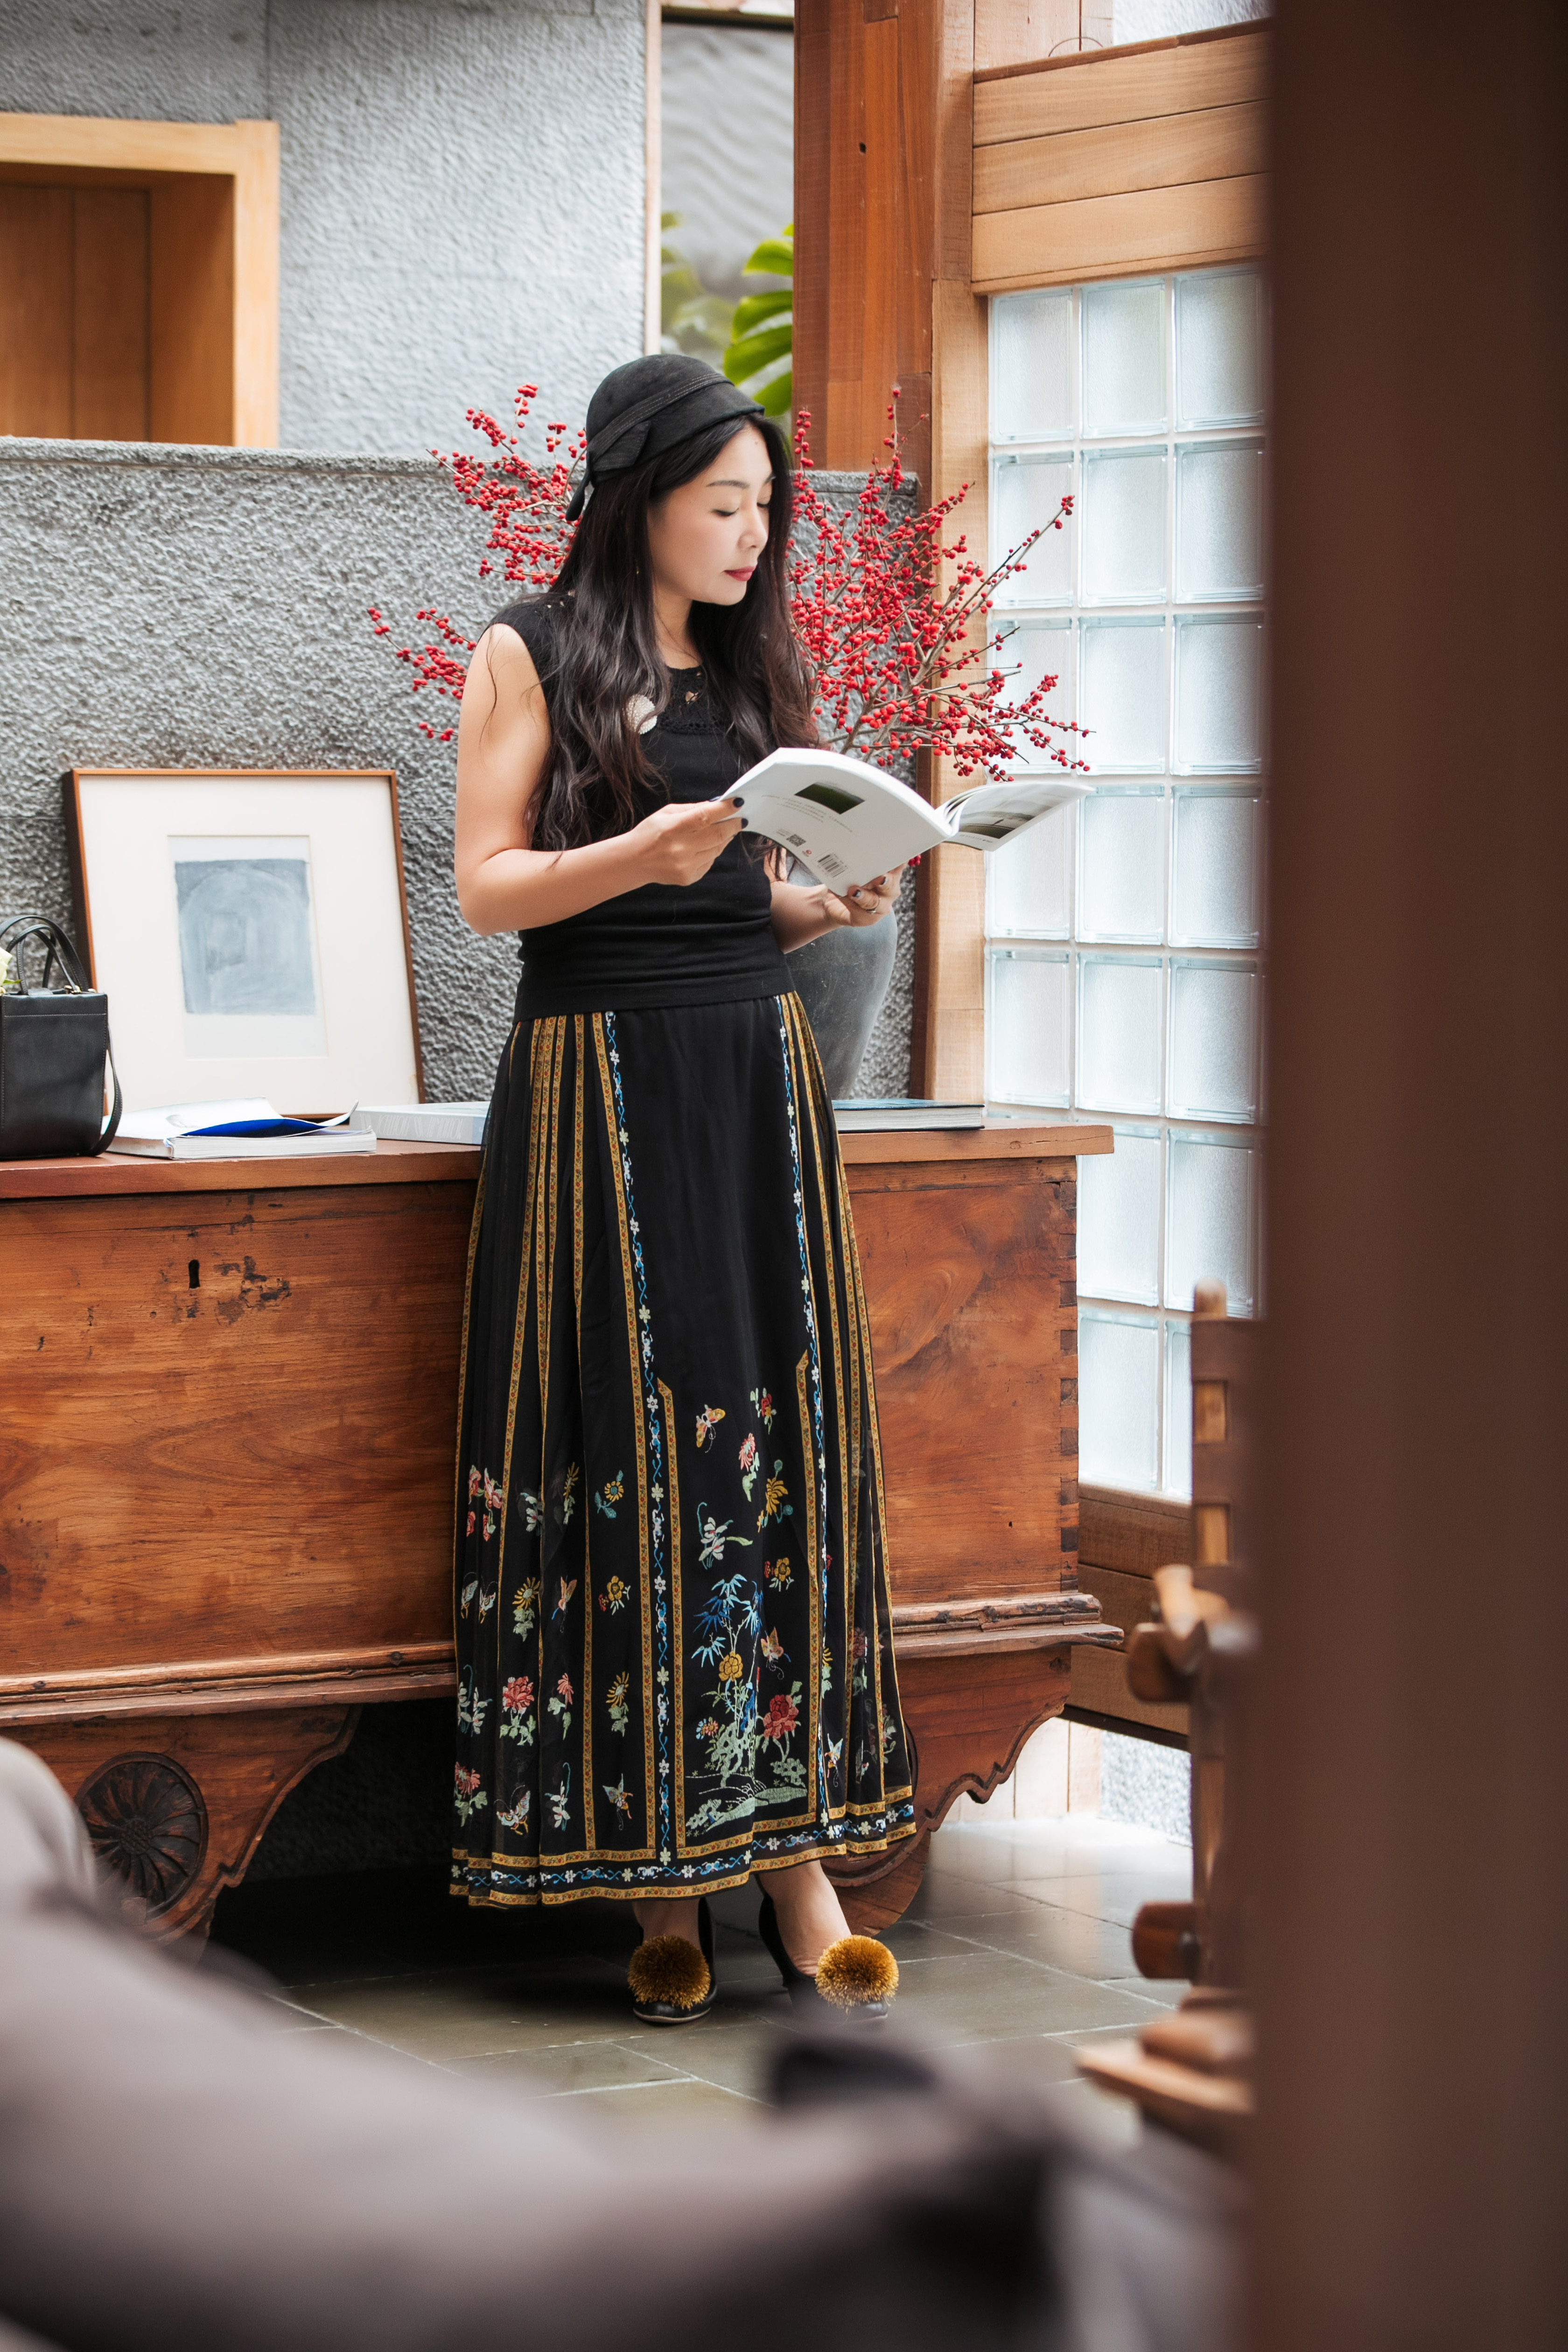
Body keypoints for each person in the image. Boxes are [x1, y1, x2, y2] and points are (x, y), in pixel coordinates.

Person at [449, 355, 915, 2022]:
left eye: (766, 507)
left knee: (771, 1449)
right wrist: (636, 856)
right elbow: (488, 889)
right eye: (724, 503)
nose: (751, 532)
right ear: (638, 497)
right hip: (601, 1085)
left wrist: (818, 909)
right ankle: (658, 1881)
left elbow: (741, 894)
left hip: (752, 1081)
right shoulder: (528, 650)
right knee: (633, 1452)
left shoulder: (750, 661)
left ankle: (793, 1871)